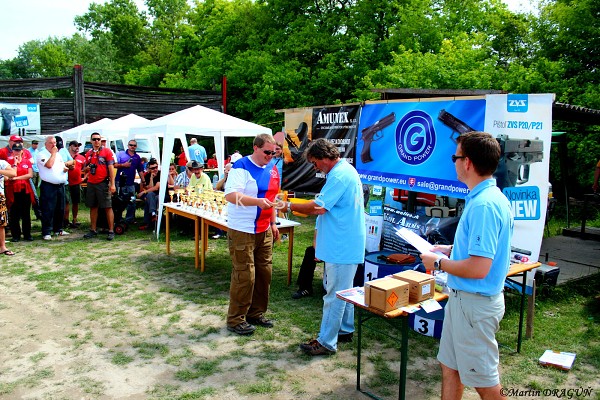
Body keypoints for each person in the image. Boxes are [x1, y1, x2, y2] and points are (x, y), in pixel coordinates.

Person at [419, 131, 514, 400]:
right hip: (464, 302)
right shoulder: (484, 198)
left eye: (455, 157)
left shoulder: (484, 205)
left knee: (484, 383)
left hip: (475, 305)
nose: (454, 163)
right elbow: (481, 252)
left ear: (468, 162)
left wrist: (439, 262)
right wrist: (450, 250)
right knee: (450, 368)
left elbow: (478, 268)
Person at [286, 138, 365, 356]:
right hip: (344, 242)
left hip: (342, 245)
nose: (315, 168)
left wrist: (288, 205)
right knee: (344, 291)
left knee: (334, 295)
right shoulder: (343, 171)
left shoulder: (339, 175)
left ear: (324, 157)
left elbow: (319, 207)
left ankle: (326, 342)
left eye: (315, 163)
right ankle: (345, 330)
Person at [224, 133, 280, 335]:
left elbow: (272, 198)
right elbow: (231, 196)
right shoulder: (241, 167)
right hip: (242, 229)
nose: (270, 156)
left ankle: (256, 313)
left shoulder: (273, 169)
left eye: (273, 153)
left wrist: (273, 222)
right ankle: (235, 319)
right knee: (244, 275)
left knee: (264, 274)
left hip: (264, 229)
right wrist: (256, 202)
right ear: (255, 148)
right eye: (267, 152)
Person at [36, 136, 75, 240]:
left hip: (60, 184)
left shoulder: (58, 155)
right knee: (48, 208)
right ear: (46, 144)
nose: (54, 145)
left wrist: (66, 168)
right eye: (51, 143)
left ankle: (58, 229)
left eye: (55, 143)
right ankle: (46, 231)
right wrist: (53, 153)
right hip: (49, 185)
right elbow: (49, 165)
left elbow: (60, 166)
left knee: (60, 208)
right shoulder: (42, 154)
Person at [82, 132, 116, 241]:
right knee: (93, 206)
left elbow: (111, 168)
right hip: (91, 182)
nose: (96, 141)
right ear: (91, 141)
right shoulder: (89, 153)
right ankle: (93, 229)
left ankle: (111, 230)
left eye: (98, 139)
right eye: (94, 139)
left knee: (107, 206)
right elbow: (85, 168)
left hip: (103, 182)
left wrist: (112, 184)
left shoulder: (107, 151)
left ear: (101, 140)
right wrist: (87, 169)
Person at [7, 142, 35, 242]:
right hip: (14, 190)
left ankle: (27, 234)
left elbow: (30, 175)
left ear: (22, 151)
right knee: (14, 213)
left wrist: (16, 178)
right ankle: (16, 235)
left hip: (25, 189)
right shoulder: (9, 161)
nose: (17, 152)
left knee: (26, 213)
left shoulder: (27, 161)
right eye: (15, 150)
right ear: (12, 151)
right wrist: (15, 163)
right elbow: (10, 174)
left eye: (19, 150)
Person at [114, 139, 145, 224]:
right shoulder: (120, 154)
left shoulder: (137, 157)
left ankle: (130, 219)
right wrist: (123, 165)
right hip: (120, 182)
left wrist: (143, 181)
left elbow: (140, 170)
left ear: (136, 147)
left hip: (131, 183)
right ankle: (118, 218)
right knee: (119, 201)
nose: (132, 147)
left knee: (132, 201)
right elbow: (114, 165)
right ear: (128, 146)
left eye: (134, 145)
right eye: (131, 145)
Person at [64, 141, 85, 228]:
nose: (77, 147)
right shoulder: (65, 156)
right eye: (75, 146)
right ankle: (65, 220)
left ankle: (74, 220)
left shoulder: (81, 157)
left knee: (75, 202)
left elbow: (85, 168)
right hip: (66, 182)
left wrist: (84, 177)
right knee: (66, 202)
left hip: (76, 183)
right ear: (70, 146)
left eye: (78, 146)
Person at [138, 158, 161, 231]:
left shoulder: (161, 174)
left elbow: (156, 188)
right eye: (153, 168)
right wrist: (151, 178)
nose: (155, 169)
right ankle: (153, 215)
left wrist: (144, 192)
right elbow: (150, 188)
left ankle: (147, 222)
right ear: (149, 169)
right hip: (152, 195)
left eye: (156, 167)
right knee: (149, 195)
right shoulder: (147, 176)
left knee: (149, 197)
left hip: (161, 195)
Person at [0, 159, 16, 255]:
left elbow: (13, 173)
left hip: (0, 196)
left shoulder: (2, 163)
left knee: (1, 223)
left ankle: (2, 247)